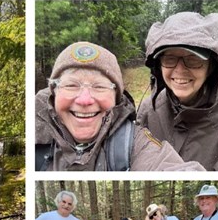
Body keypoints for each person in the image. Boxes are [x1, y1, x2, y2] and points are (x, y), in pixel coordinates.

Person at [35, 41, 204, 171]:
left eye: (99, 86)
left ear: (116, 98)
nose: (84, 100)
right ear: (54, 92)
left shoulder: (133, 143)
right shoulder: (33, 131)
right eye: (71, 85)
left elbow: (168, 166)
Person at [137, 12, 218, 171]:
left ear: (211, 67)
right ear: (159, 66)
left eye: (193, 59)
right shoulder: (148, 111)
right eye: (170, 59)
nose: (180, 70)